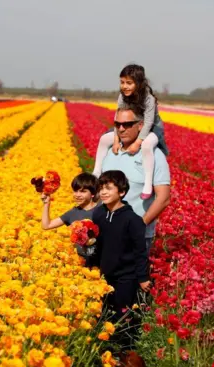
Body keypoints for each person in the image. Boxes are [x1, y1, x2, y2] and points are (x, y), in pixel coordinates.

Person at [96, 105, 171, 255]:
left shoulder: (154, 155)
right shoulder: (111, 151)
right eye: (117, 124)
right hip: (105, 232)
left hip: (135, 237)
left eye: (127, 124)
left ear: (140, 126)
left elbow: (163, 198)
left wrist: (139, 225)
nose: (121, 129)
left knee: (131, 278)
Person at [92, 64, 168, 200]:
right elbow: (118, 117)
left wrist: (137, 143)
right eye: (122, 82)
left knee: (147, 146)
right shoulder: (122, 97)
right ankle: (96, 172)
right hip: (129, 124)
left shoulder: (148, 99)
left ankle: (148, 183)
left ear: (138, 83)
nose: (124, 86)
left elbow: (149, 122)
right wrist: (116, 140)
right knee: (104, 139)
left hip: (152, 127)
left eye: (129, 83)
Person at [93, 171, 150, 317]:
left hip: (126, 276)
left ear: (122, 192)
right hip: (104, 274)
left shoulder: (133, 220)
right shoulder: (99, 213)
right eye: (101, 188)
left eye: (109, 188)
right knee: (102, 313)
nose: (103, 192)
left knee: (123, 314)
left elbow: (140, 251)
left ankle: (125, 340)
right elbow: (97, 245)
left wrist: (143, 278)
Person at [41, 172, 100, 263]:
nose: (77, 195)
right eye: (75, 191)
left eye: (83, 191)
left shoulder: (103, 210)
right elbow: (46, 225)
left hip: (102, 263)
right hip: (81, 263)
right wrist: (46, 203)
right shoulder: (73, 213)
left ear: (93, 193)